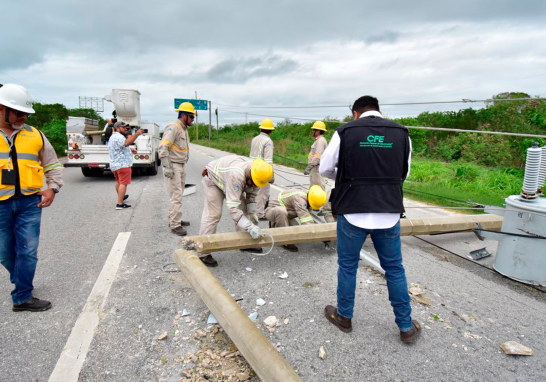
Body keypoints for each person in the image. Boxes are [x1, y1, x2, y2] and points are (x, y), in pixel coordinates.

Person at [319, 95, 421, 343]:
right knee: (394, 269)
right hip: (388, 212)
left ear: (355, 113)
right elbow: (404, 172)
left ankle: (344, 317)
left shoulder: (344, 132)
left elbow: (324, 169)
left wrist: (344, 178)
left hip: (352, 211)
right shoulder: (402, 133)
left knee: (347, 266)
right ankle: (406, 328)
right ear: (379, 111)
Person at [0, 84, 63, 312]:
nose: (24, 116)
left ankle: (22, 297)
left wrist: (52, 188)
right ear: (1, 108)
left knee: (27, 250)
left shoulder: (35, 134)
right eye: (18, 112)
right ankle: (21, 279)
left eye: (26, 113)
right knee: (5, 252)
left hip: (30, 202)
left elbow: (52, 163)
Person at [199, 156, 273, 267]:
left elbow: (251, 194)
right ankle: (203, 252)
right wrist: (250, 227)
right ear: (249, 174)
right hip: (214, 179)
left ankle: (244, 243)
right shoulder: (237, 175)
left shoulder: (258, 175)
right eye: (252, 182)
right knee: (213, 214)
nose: (254, 185)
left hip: (229, 180)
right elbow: (233, 208)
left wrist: (252, 213)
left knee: (244, 211)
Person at [159, 102, 195, 236]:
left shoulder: (183, 129)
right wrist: (167, 167)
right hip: (173, 165)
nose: (192, 120)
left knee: (177, 195)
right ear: (184, 115)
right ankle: (175, 225)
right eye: (191, 117)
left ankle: (175, 219)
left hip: (180, 165)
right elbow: (163, 147)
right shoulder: (173, 127)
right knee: (176, 196)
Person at [264, 185, 327, 252]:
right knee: (281, 211)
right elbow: (307, 223)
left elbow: (309, 219)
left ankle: (275, 224)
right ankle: (284, 241)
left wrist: (321, 232)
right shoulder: (300, 199)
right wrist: (320, 236)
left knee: (296, 232)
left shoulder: (309, 197)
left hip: (286, 215)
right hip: (272, 211)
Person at [305, 120, 335, 223]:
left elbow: (318, 155)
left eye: (313, 130)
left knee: (319, 187)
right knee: (313, 187)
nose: (312, 131)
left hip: (316, 168)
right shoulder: (318, 140)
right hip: (314, 168)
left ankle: (322, 207)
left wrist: (310, 166)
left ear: (318, 131)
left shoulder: (320, 141)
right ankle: (315, 205)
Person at [108, 121, 142, 210]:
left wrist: (130, 150)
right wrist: (136, 134)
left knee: (119, 182)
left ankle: (121, 197)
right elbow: (126, 143)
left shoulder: (113, 137)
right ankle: (119, 204)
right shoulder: (119, 137)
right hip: (123, 164)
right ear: (117, 128)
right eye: (123, 127)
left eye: (126, 128)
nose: (125, 129)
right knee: (123, 183)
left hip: (115, 164)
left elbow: (119, 148)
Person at [249, 118, 275, 220]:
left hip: (251, 168)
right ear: (270, 130)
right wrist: (271, 175)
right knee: (263, 193)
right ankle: (259, 214)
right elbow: (268, 161)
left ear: (261, 129)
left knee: (252, 192)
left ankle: (250, 211)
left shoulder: (254, 139)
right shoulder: (268, 141)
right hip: (262, 170)